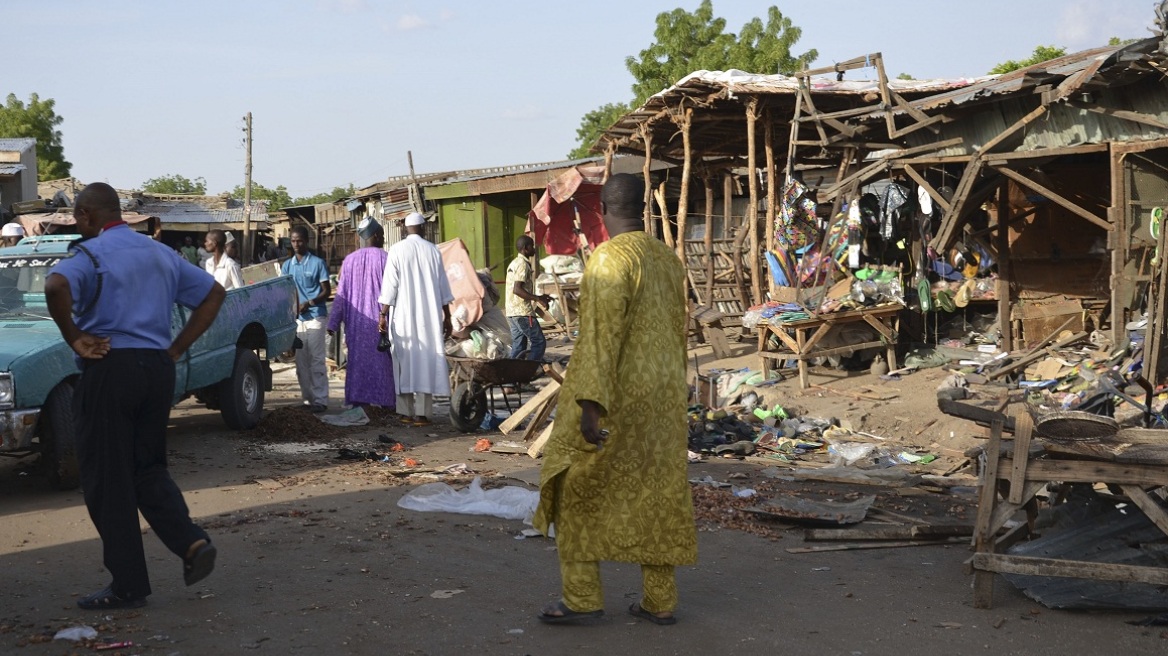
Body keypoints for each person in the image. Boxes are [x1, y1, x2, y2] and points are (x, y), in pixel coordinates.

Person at [43, 182, 226, 610]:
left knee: (108, 479)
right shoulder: (160, 252)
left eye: (76, 216)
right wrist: (177, 348)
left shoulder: (89, 255)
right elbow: (213, 294)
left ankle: (128, 585)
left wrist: (75, 337)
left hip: (110, 369)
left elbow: (55, 287)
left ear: (88, 215)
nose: (76, 223)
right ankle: (192, 543)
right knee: (147, 467)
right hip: (157, 369)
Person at [533, 173, 696, 626]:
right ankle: (659, 600)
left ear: (600, 209)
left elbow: (600, 339)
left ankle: (581, 596)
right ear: (643, 207)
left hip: (618, 395)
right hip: (664, 396)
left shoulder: (606, 260)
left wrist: (589, 405)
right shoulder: (667, 259)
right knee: (657, 491)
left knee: (572, 484)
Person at [377, 212, 453, 426]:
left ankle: (405, 412)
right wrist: (447, 317)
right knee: (426, 362)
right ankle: (422, 414)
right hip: (428, 318)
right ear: (423, 228)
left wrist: (383, 315)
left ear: (405, 228)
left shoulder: (396, 250)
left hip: (403, 318)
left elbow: (389, 287)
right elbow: (443, 288)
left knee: (404, 362)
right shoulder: (433, 251)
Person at [327, 217, 395, 409]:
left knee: (357, 365)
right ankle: (386, 404)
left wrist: (333, 324)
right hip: (380, 324)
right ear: (375, 236)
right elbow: (394, 292)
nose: (382, 238)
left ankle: (359, 403)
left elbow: (341, 297)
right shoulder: (386, 258)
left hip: (355, 327)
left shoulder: (349, 261)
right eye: (381, 235)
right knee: (382, 364)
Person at [281, 225, 331, 413]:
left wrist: (309, 303)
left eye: (299, 240)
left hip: (315, 315)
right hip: (297, 319)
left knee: (316, 359)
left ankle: (321, 399)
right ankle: (308, 399)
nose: (296, 244)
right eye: (293, 241)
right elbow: (284, 291)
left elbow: (326, 291)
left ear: (306, 241)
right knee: (301, 362)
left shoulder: (317, 263)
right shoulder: (287, 265)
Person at [505, 235, 552, 362]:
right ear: (526, 248)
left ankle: (513, 374)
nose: (534, 249)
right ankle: (530, 369)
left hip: (511, 312)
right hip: (522, 312)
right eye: (532, 246)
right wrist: (537, 299)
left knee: (519, 346)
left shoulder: (514, 263)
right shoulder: (522, 264)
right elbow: (517, 289)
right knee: (539, 342)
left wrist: (540, 297)